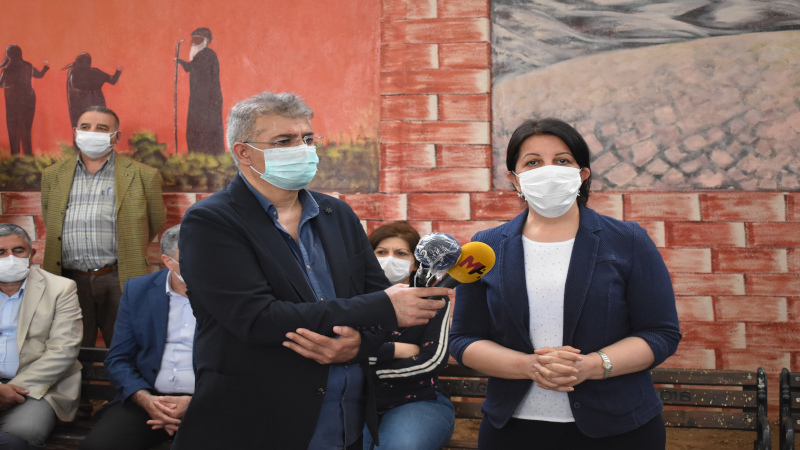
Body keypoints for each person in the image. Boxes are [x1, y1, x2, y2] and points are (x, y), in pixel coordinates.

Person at [172, 91, 451, 450]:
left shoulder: (337, 214)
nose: (302, 149)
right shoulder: (212, 221)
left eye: (307, 138)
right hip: (257, 424)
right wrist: (383, 306)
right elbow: (256, 318)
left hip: (345, 421)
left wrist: (358, 346)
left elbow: (377, 310)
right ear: (243, 152)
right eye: (283, 141)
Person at [448, 118, 682, 450]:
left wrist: (591, 366)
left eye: (562, 160)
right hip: (512, 428)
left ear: (582, 174)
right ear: (514, 179)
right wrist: (528, 366)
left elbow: (660, 333)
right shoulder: (485, 247)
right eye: (533, 162)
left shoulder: (628, 240)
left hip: (619, 428)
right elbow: (464, 339)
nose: (548, 170)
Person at [41, 105, 166, 347]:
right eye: (85, 127)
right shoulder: (53, 174)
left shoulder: (143, 175)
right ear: (76, 132)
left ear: (116, 137)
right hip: (68, 279)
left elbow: (155, 220)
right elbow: (51, 219)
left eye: (102, 128)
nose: (92, 133)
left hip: (119, 277)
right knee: (71, 351)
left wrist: (129, 244)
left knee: (127, 347)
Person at [81, 225, 193, 450]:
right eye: (191, 259)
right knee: (98, 446)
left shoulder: (227, 293)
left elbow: (236, 362)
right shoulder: (138, 290)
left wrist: (195, 403)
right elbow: (118, 359)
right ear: (168, 262)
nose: (202, 264)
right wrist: (145, 400)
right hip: (147, 399)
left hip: (207, 401)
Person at [363, 222, 455, 450]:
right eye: (381, 252)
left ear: (415, 263)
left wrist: (369, 370)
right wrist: (396, 350)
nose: (390, 259)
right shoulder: (354, 299)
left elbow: (431, 361)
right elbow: (343, 349)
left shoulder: (432, 300)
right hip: (358, 401)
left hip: (418, 400)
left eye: (401, 253)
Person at [0, 224, 82, 447]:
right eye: (1, 252)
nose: (10, 258)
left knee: (22, 435)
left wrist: (9, 391)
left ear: (32, 253)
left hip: (38, 388)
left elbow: (63, 351)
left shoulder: (61, 288)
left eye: (18, 250)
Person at [175, 27, 225, 154]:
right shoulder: (201, 55)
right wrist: (180, 62)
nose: (193, 44)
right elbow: (191, 67)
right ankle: (197, 154)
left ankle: (207, 155)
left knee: (205, 129)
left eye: (197, 40)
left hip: (207, 101)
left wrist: (180, 62)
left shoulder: (207, 54)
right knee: (196, 128)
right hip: (199, 100)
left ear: (205, 41)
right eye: (193, 40)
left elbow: (191, 67)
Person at [0, 44, 49, 157]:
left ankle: (15, 155)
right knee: (26, 127)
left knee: (13, 127)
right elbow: (39, 75)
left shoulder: (7, 69)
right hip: (29, 99)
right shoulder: (28, 65)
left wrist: (3, 65)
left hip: (12, 100)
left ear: (9, 55)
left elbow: (1, 84)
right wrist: (46, 68)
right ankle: (28, 154)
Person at [62, 52, 122, 129]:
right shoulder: (94, 73)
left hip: (81, 109)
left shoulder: (72, 72)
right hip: (93, 107)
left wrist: (118, 71)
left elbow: (113, 80)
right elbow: (113, 80)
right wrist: (118, 70)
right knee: (96, 127)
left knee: (84, 128)